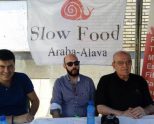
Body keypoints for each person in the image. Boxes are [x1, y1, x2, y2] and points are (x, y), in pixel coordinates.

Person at [95, 50, 154, 119]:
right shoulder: (105, 80)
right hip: (114, 120)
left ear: (131, 63)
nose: (125, 66)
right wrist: (122, 113)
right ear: (114, 65)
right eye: (120, 63)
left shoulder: (140, 80)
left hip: (138, 120)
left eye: (128, 62)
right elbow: (100, 108)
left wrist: (145, 111)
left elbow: (151, 106)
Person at [0, 49, 39, 124]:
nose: (6, 71)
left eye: (10, 66)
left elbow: (35, 100)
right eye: (2, 66)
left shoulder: (22, 78)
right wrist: (14, 119)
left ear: (14, 66)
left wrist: (30, 115)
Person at [50, 53, 95, 117]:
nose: (74, 66)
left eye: (76, 63)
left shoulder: (88, 82)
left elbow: (94, 104)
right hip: (65, 121)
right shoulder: (59, 82)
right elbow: (55, 106)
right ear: (65, 66)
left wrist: (91, 120)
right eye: (70, 64)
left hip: (85, 120)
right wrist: (58, 121)